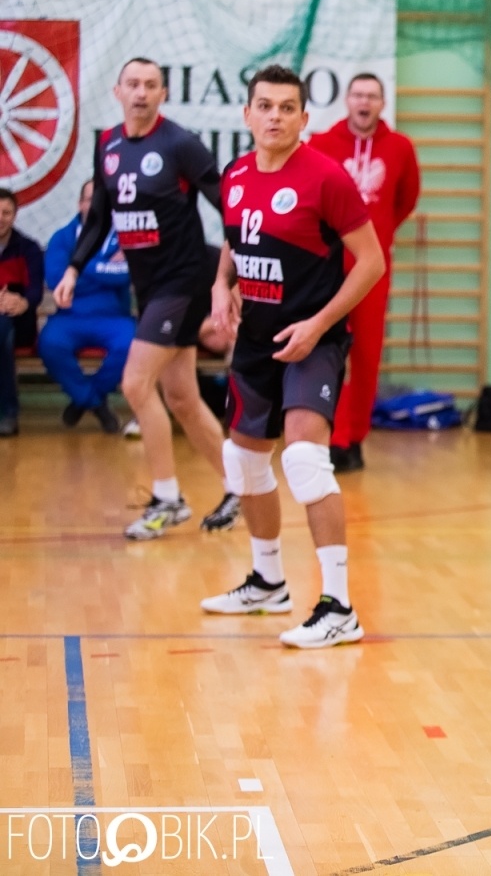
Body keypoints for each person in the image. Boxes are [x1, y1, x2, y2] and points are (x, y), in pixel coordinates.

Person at [200, 65, 384, 650]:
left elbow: (372, 262)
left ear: (305, 118)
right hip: (256, 341)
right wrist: (219, 285)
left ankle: (339, 607)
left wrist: (319, 325)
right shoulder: (234, 175)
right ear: (247, 114)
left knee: (305, 460)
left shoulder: (325, 178)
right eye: (265, 106)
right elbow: (235, 240)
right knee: (243, 462)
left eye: (287, 107)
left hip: (313, 341)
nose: (275, 116)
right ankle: (268, 581)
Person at [55, 59, 240, 538]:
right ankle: (239, 487)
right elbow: (98, 216)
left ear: (162, 94)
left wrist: (232, 275)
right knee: (180, 396)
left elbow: (229, 207)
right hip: (151, 285)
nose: (141, 92)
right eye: (133, 84)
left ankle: (167, 498)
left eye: (150, 85)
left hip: (185, 280)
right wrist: (74, 267)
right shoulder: (109, 144)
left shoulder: (179, 144)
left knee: (136, 384)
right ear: (117, 91)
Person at [307, 73, 419, 472]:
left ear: (382, 103)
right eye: (358, 95)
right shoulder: (321, 144)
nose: (364, 102)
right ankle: (332, 439)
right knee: (330, 354)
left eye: (372, 95)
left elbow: (406, 199)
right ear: (347, 100)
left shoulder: (400, 148)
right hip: (329, 270)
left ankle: (355, 438)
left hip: (372, 272)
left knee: (368, 356)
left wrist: (377, 235)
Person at [40, 180, 136, 433]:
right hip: (69, 316)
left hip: (114, 318)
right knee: (50, 344)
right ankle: (94, 403)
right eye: (90, 199)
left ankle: (83, 400)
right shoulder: (62, 237)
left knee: (131, 345)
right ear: (80, 203)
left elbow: (127, 275)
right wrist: (104, 268)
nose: (95, 205)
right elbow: (55, 278)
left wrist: (79, 268)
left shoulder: (125, 238)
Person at [0, 189, 44, 437]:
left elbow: (35, 291)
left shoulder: (28, 248)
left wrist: (23, 302)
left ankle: (8, 411)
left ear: (15, 215)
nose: (1, 218)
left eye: (6, 212)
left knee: (3, 329)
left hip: (21, 323)